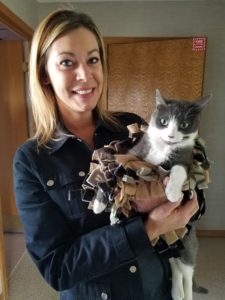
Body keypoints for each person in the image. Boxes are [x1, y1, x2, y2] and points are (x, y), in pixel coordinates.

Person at [13, 9, 200, 300]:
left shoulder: (131, 127)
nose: (85, 75)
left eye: (93, 59)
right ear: (44, 74)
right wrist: (150, 227)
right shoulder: (31, 161)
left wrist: (188, 198)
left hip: (157, 290)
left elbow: (193, 190)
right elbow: (57, 268)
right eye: (66, 62)